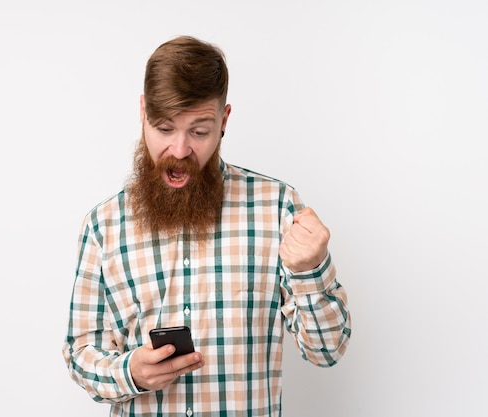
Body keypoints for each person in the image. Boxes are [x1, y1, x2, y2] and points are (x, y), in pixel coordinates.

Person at [63, 35, 351, 417]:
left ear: (224, 120)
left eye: (199, 131)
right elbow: (81, 353)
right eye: (165, 128)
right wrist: (130, 372)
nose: (180, 150)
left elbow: (327, 351)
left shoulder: (276, 207)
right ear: (143, 112)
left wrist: (310, 270)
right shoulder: (103, 225)